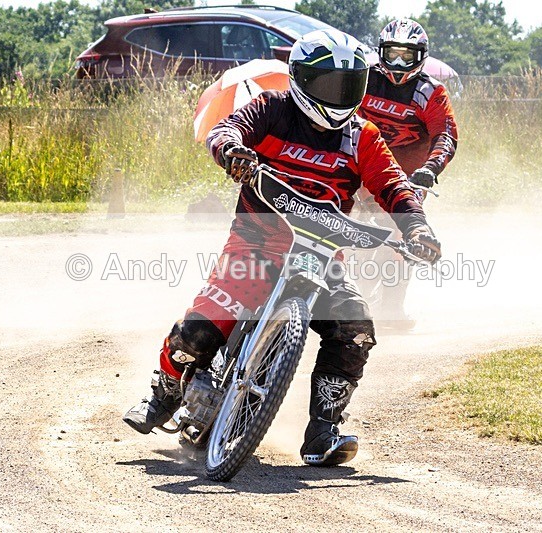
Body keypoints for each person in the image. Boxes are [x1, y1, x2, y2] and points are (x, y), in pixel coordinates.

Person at [123, 29, 442, 467]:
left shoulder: (361, 135)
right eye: (329, 83)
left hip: (322, 254)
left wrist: (417, 229)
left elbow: (393, 186)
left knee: (356, 328)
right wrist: (233, 152)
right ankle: (164, 391)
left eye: (350, 85)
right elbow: (226, 130)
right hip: (255, 245)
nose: (339, 95)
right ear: (301, 79)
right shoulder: (272, 108)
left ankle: (322, 432)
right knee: (201, 328)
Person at [355, 18, 458, 324]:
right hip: (365, 159)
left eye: (407, 56)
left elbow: (446, 135)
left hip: (409, 172)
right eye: (392, 54)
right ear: (380, 52)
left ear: (421, 57)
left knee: (404, 234)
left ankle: (392, 308)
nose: (398, 63)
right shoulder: (363, 80)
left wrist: (430, 168)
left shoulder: (430, 92)